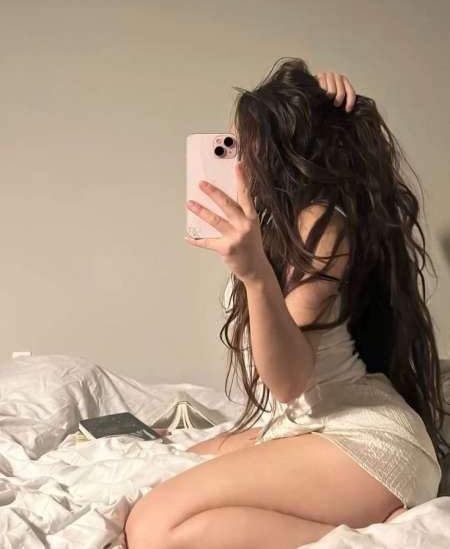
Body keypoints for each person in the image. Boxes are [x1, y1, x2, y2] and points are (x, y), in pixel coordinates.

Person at [125, 59, 448, 549]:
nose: (236, 160)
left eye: (244, 145)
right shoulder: (278, 226)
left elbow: (289, 380)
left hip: (369, 441)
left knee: (153, 528)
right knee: (164, 488)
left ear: (278, 152)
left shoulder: (323, 222)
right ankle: (370, 533)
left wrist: (254, 274)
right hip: (308, 426)